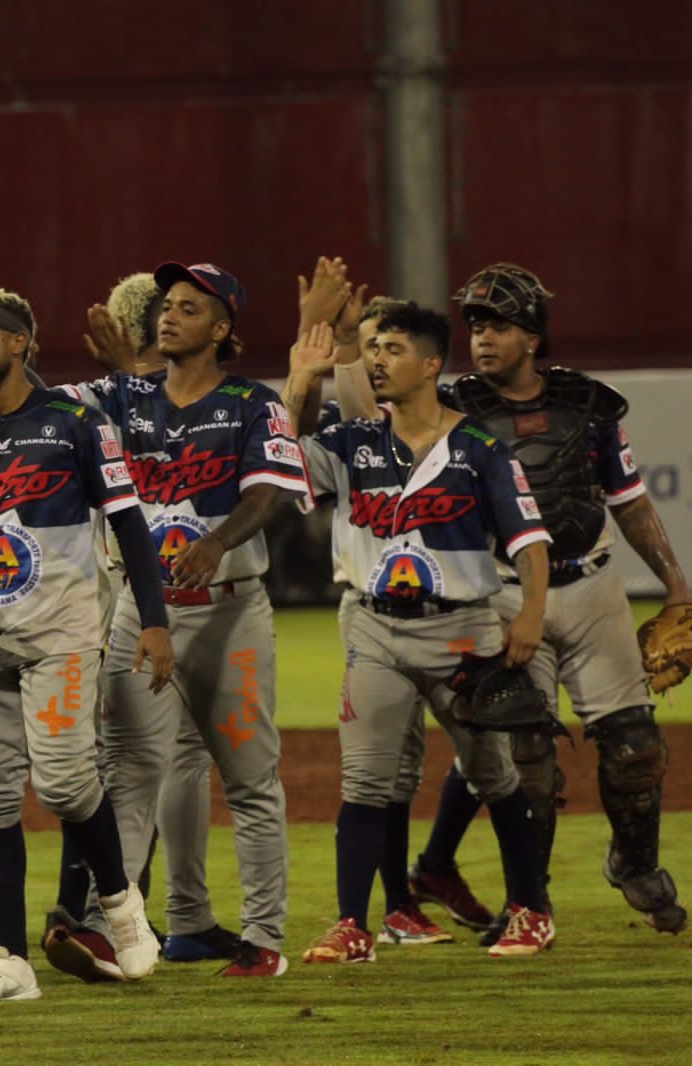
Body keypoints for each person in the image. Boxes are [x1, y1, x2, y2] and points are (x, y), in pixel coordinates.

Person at [0, 285, 172, 1002]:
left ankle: (119, 904)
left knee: (62, 780)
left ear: (21, 343)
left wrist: (155, 621)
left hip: (61, 633)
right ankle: (7, 961)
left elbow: (131, 524)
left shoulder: (76, 422)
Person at [407, 264, 687, 937]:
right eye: (475, 325)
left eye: (498, 325)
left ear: (533, 337)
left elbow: (628, 501)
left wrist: (676, 584)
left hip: (591, 584)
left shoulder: (589, 406)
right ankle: (531, 902)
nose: (481, 338)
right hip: (501, 593)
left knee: (635, 746)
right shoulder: (449, 412)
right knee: (525, 762)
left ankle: (636, 863)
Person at [284, 303, 557, 962]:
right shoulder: (351, 442)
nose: (377, 358)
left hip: (462, 629)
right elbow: (282, 468)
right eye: (373, 347)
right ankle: (354, 926)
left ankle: (532, 908)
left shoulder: (479, 448)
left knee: (493, 775)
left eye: (394, 348)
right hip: (375, 626)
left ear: (432, 364)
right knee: (366, 783)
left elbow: (528, 539)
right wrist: (303, 382)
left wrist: (529, 617)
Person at [57, 263, 308, 977]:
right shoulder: (118, 396)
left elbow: (272, 493)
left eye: (189, 308)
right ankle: (120, 931)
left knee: (251, 777)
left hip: (229, 614)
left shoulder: (253, 404)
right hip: (143, 612)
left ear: (222, 328)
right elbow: (32, 417)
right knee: (129, 776)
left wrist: (219, 539)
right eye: (166, 306)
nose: (169, 317)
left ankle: (263, 939)